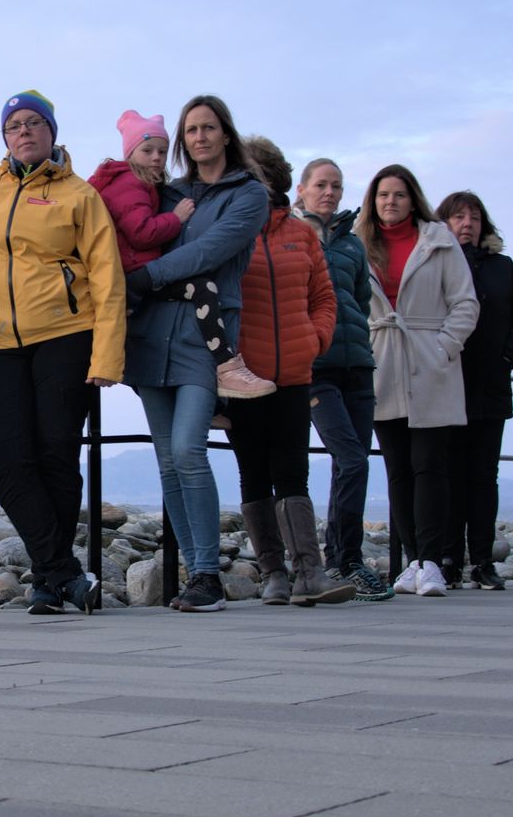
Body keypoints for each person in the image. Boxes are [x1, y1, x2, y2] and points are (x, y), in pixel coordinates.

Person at [0, 90, 125, 615]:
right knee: (5, 459)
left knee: (55, 458)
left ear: (51, 131)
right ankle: (64, 572)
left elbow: (109, 277)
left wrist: (106, 358)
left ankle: (48, 584)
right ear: (4, 136)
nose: (23, 132)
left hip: (66, 338)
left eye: (33, 123)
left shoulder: (79, 194)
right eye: (13, 126)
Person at [120, 95, 269, 613]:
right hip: (150, 334)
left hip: (205, 339)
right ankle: (194, 574)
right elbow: (131, 226)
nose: (199, 138)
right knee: (167, 462)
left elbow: (211, 250)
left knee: (188, 450)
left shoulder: (249, 196)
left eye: (208, 128)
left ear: (226, 134)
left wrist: (142, 279)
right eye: (190, 130)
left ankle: (207, 574)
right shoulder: (167, 192)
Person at [228, 137, 352, 606]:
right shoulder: (229, 226)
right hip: (243, 376)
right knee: (253, 473)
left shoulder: (301, 234)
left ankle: (309, 573)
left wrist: (314, 339)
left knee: (293, 471)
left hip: (295, 374)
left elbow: (324, 297)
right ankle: (274, 573)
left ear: (277, 179)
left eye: (259, 173)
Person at [89, 110, 275, 400]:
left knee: (185, 444)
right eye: (147, 150)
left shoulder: (163, 188)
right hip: (140, 286)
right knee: (201, 287)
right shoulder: (141, 187)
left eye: (161, 151)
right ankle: (227, 366)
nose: (156, 157)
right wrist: (175, 219)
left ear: (226, 135)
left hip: (152, 297)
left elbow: (209, 248)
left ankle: (221, 386)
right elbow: (142, 233)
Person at [356, 164, 477, 598]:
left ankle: (432, 561)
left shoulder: (439, 242)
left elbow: (465, 303)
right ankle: (410, 560)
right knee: (397, 470)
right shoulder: (357, 243)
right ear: (373, 200)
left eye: (399, 195)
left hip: (429, 360)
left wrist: (445, 346)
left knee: (431, 466)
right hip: (381, 362)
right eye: (383, 195)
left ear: (413, 199)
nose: (391, 202)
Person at [434, 191, 513, 591]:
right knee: (445, 475)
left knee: (482, 477)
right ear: (442, 223)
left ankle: (482, 561)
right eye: (458, 217)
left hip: (489, 385)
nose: (467, 224)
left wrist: (509, 354)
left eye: (474, 218)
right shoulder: (433, 263)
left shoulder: (502, 267)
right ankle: (446, 559)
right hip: (443, 381)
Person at [293, 159, 390, 601]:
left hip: (358, 366)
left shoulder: (352, 245)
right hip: (317, 368)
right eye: (321, 185)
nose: (329, 192)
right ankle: (341, 559)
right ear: (302, 189)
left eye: (336, 185)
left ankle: (344, 559)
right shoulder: (294, 237)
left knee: (356, 462)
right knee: (350, 457)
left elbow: (362, 301)